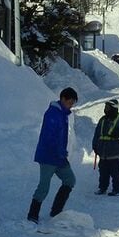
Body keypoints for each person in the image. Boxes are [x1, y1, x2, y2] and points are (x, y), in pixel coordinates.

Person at [28, 87, 79, 223]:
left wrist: (62, 152)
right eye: (70, 102)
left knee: (70, 180)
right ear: (63, 99)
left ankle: (56, 211)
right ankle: (32, 215)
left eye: (73, 103)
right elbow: (48, 136)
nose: (71, 105)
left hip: (59, 157)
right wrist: (58, 150)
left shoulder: (64, 114)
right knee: (44, 187)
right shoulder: (52, 114)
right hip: (48, 156)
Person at [91, 98, 119, 196]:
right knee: (103, 172)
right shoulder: (102, 120)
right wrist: (95, 145)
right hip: (103, 153)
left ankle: (117, 190)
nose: (105, 109)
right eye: (105, 107)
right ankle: (102, 188)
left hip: (116, 153)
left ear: (113, 108)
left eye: (107, 107)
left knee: (116, 173)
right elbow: (97, 134)